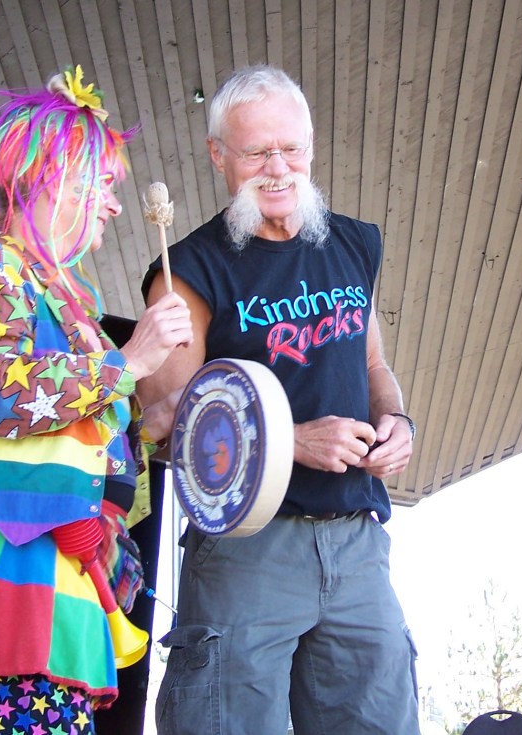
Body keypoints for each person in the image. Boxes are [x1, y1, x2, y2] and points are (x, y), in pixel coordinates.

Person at [0, 66, 193, 734]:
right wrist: (126, 361)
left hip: (54, 573)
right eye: (103, 185)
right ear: (52, 174)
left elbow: (78, 442)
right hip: (4, 564)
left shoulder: (67, 300)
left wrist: (155, 420)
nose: (113, 205)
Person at [138, 64, 421, 734]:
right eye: (256, 151)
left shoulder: (355, 243)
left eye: (291, 148)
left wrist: (397, 419)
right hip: (246, 551)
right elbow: (161, 423)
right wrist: (291, 440)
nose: (277, 167)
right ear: (218, 155)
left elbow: (375, 363)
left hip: (358, 545)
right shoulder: (188, 268)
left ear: (312, 147)